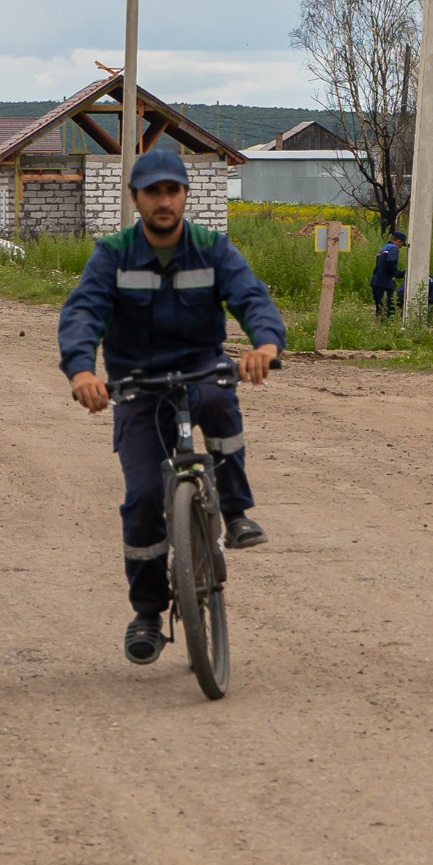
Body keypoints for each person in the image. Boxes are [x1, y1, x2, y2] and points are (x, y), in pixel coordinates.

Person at [57, 148, 286, 666]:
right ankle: (147, 614)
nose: (164, 201)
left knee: (222, 407)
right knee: (141, 499)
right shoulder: (112, 254)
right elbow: (83, 313)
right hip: (138, 386)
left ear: (184, 195)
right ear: (136, 198)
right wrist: (82, 370)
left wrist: (265, 344)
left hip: (201, 369)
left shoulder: (211, 248)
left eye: (172, 190)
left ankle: (235, 510)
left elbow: (251, 297)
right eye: (153, 192)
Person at [368, 229, 404, 319]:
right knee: (389, 308)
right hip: (385, 283)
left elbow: (382, 267)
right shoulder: (394, 248)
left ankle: (380, 327)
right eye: (402, 244)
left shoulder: (383, 249)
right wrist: (394, 274)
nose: (401, 247)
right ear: (399, 241)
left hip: (376, 281)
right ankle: (387, 328)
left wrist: (400, 274)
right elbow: (391, 261)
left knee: (380, 308)